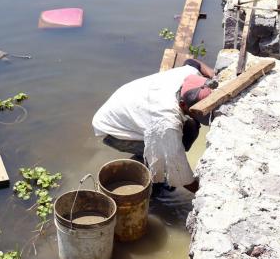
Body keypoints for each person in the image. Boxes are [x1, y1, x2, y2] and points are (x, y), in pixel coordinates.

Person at [91, 58, 216, 193]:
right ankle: (143, 174)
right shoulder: (166, 121)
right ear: (182, 104)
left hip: (130, 106)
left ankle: (157, 172)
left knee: (190, 128)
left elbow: (193, 62)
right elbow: (180, 173)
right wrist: (202, 193)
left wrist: (213, 74)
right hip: (111, 128)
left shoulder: (190, 76)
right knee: (162, 159)